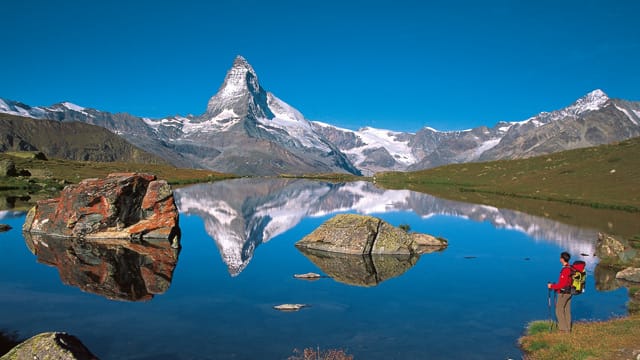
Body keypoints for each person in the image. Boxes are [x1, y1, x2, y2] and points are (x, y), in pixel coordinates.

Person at [548, 251, 573, 331]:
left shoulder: (565, 270)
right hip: (570, 292)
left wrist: (551, 286)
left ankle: (564, 330)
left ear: (562, 259)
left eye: (560, 258)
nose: (559, 259)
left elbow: (562, 285)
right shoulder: (571, 268)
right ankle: (568, 328)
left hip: (563, 293)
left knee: (558, 310)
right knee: (566, 310)